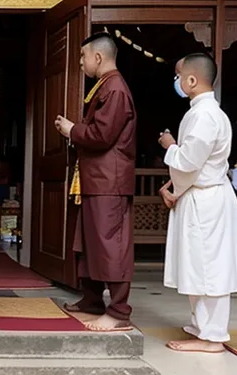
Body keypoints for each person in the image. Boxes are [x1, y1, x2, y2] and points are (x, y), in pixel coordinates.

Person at [157, 53, 237, 353]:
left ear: (192, 80)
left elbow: (188, 161)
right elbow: (196, 165)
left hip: (206, 200)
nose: (177, 81)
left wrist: (170, 146)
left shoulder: (205, 115)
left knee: (210, 268)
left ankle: (213, 337)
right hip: (202, 194)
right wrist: (178, 187)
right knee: (200, 266)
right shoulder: (206, 112)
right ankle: (202, 328)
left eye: (178, 75)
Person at [54, 31, 137, 332]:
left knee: (109, 244)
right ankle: (91, 300)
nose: (80, 62)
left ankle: (118, 312)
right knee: (89, 243)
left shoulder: (114, 89)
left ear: (98, 57)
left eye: (82, 56)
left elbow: (103, 136)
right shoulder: (104, 86)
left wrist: (72, 130)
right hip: (95, 180)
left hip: (108, 182)